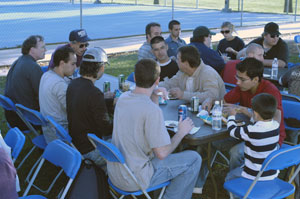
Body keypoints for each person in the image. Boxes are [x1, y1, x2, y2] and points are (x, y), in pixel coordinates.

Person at [107, 58, 202, 199]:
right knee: (194, 158)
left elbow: (146, 122)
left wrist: (154, 96)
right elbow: (162, 154)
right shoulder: (151, 110)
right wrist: (181, 132)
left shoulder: (123, 98)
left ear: (134, 77)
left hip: (116, 173)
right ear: (157, 80)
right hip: (135, 178)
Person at [203, 58, 286, 170]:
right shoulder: (243, 87)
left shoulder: (270, 91)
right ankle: (198, 186)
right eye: (237, 77)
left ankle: (237, 182)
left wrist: (244, 110)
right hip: (248, 133)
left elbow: (275, 122)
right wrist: (211, 100)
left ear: (255, 79)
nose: (237, 82)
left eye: (242, 79)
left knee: (236, 152)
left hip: (269, 139)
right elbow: (224, 101)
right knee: (210, 141)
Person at [225, 93, 280, 198]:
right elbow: (259, 123)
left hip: (253, 174)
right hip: (271, 173)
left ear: (255, 113)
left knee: (230, 177)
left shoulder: (252, 131)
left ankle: (242, 196)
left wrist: (231, 116)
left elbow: (232, 131)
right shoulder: (275, 126)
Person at [66, 47, 113, 166]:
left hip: (76, 144)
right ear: (101, 67)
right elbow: (106, 129)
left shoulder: (73, 84)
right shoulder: (94, 93)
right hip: (91, 149)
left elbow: (86, 106)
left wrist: (107, 101)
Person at [4, 35, 46, 131]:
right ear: (32, 50)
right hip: (26, 120)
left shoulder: (18, 61)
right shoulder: (33, 67)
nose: (45, 50)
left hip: (14, 117)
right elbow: (43, 97)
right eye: (42, 47)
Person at [159, 45, 226, 103]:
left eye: (178, 59)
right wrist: (153, 86)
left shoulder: (208, 73)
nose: (176, 61)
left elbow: (212, 95)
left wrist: (183, 95)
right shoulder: (182, 73)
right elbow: (169, 84)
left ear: (186, 63)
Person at [39, 46, 77, 143]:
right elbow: (73, 112)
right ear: (62, 63)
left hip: (49, 131)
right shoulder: (59, 84)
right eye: (73, 64)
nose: (75, 67)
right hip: (62, 135)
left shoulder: (46, 75)